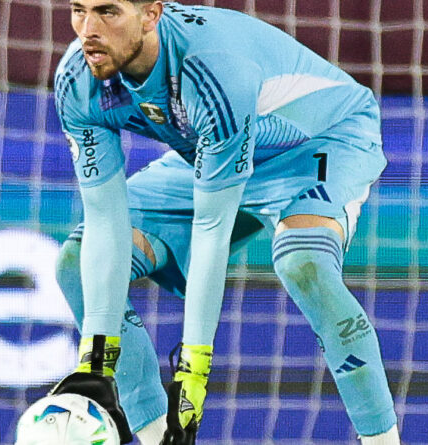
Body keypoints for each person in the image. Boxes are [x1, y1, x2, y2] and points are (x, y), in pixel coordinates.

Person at [51, 1, 400, 444]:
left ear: (151, 15)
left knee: (304, 264)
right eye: (78, 10)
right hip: (218, 152)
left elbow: (211, 231)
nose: (88, 29)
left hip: (320, 141)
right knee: (77, 262)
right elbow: (106, 219)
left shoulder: (210, 69)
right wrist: (95, 363)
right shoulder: (79, 79)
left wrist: (193, 370)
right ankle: (158, 439)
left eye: (107, 12)